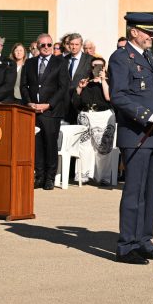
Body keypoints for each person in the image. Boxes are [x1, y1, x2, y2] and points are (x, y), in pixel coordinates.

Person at [108, 12, 153, 265]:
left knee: (150, 192)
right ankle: (126, 246)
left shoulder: (146, 55)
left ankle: (144, 241)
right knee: (134, 192)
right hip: (137, 134)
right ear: (134, 31)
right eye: (148, 32)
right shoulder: (121, 58)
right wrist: (146, 115)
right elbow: (119, 96)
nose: (152, 37)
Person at [20, 33, 70, 190]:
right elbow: (23, 85)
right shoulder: (29, 63)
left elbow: (63, 87)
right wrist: (29, 103)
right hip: (33, 110)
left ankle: (50, 177)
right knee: (36, 145)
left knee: (50, 144)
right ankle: (39, 176)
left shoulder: (60, 62)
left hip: (51, 111)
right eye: (43, 45)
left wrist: (48, 105)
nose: (47, 48)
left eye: (49, 44)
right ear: (37, 46)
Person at [72, 56, 115, 185]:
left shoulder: (109, 82)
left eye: (100, 66)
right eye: (94, 66)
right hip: (86, 115)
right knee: (85, 147)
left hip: (103, 116)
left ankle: (103, 177)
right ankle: (84, 175)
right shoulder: (86, 82)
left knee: (103, 147)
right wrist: (80, 88)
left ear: (104, 67)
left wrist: (103, 80)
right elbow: (75, 102)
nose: (96, 68)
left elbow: (109, 98)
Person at [63, 33, 93, 124]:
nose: (74, 47)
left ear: (81, 45)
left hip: (82, 103)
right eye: (72, 44)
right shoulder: (62, 60)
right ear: (68, 45)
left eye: (76, 44)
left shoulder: (90, 60)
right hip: (65, 103)